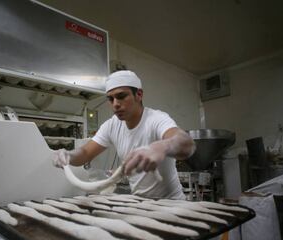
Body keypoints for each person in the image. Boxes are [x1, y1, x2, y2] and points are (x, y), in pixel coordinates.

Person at [53, 70, 195, 199]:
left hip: (172, 203)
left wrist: (162, 147)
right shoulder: (112, 125)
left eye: (121, 96)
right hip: (141, 203)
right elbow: (85, 153)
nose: (115, 104)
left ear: (139, 95)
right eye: (110, 99)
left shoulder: (156, 119)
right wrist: (69, 155)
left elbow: (186, 143)